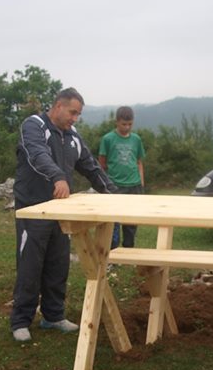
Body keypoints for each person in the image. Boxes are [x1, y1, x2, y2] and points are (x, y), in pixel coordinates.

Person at [11, 88, 115, 342]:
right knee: (30, 265)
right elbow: (37, 154)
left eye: (78, 114)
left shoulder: (73, 136)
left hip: (62, 212)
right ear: (58, 106)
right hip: (34, 210)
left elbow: (90, 166)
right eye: (72, 112)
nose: (75, 119)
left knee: (59, 263)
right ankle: (20, 321)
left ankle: (53, 315)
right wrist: (57, 176)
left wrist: (113, 193)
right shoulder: (34, 125)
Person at [99, 106, 146, 249]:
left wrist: (141, 183)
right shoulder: (108, 139)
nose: (127, 127)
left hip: (134, 185)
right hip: (115, 186)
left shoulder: (136, 139)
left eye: (130, 124)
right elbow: (101, 164)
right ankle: (112, 253)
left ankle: (128, 252)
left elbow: (139, 161)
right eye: (123, 124)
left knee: (131, 222)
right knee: (113, 222)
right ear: (117, 122)